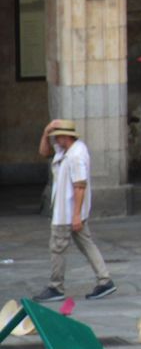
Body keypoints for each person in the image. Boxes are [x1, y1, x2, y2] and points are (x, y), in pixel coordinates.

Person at [33, 120, 115, 302]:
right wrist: (45, 132)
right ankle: (105, 279)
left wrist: (76, 215)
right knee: (86, 243)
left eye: (57, 136)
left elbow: (80, 186)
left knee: (57, 248)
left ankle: (56, 286)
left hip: (67, 212)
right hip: (68, 211)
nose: (55, 139)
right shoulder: (65, 150)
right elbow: (44, 152)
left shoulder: (76, 155)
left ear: (66, 136)